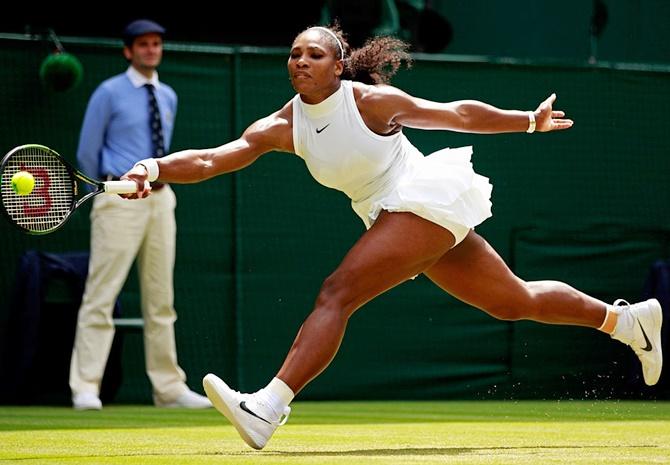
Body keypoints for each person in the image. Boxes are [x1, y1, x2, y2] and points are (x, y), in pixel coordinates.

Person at [122, 25, 663, 446]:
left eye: (314, 54)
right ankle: (627, 321)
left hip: (422, 197)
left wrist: (526, 120)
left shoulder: (369, 103)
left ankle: (268, 406)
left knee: (338, 292)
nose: (301, 61)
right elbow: (215, 159)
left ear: (338, 65)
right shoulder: (283, 126)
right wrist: (153, 168)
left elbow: (453, 114)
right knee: (512, 300)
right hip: (399, 216)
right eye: (294, 54)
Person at [69, 19, 211, 410]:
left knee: (161, 299)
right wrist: (104, 192)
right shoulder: (108, 93)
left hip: (162, 200)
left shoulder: (168, 95)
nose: (151, 49)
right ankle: (85, 387)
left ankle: (168, 389)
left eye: (156, 44)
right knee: (101, 294)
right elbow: (87, 151)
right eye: (143, 44)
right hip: (117, 199)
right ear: (128, 51)